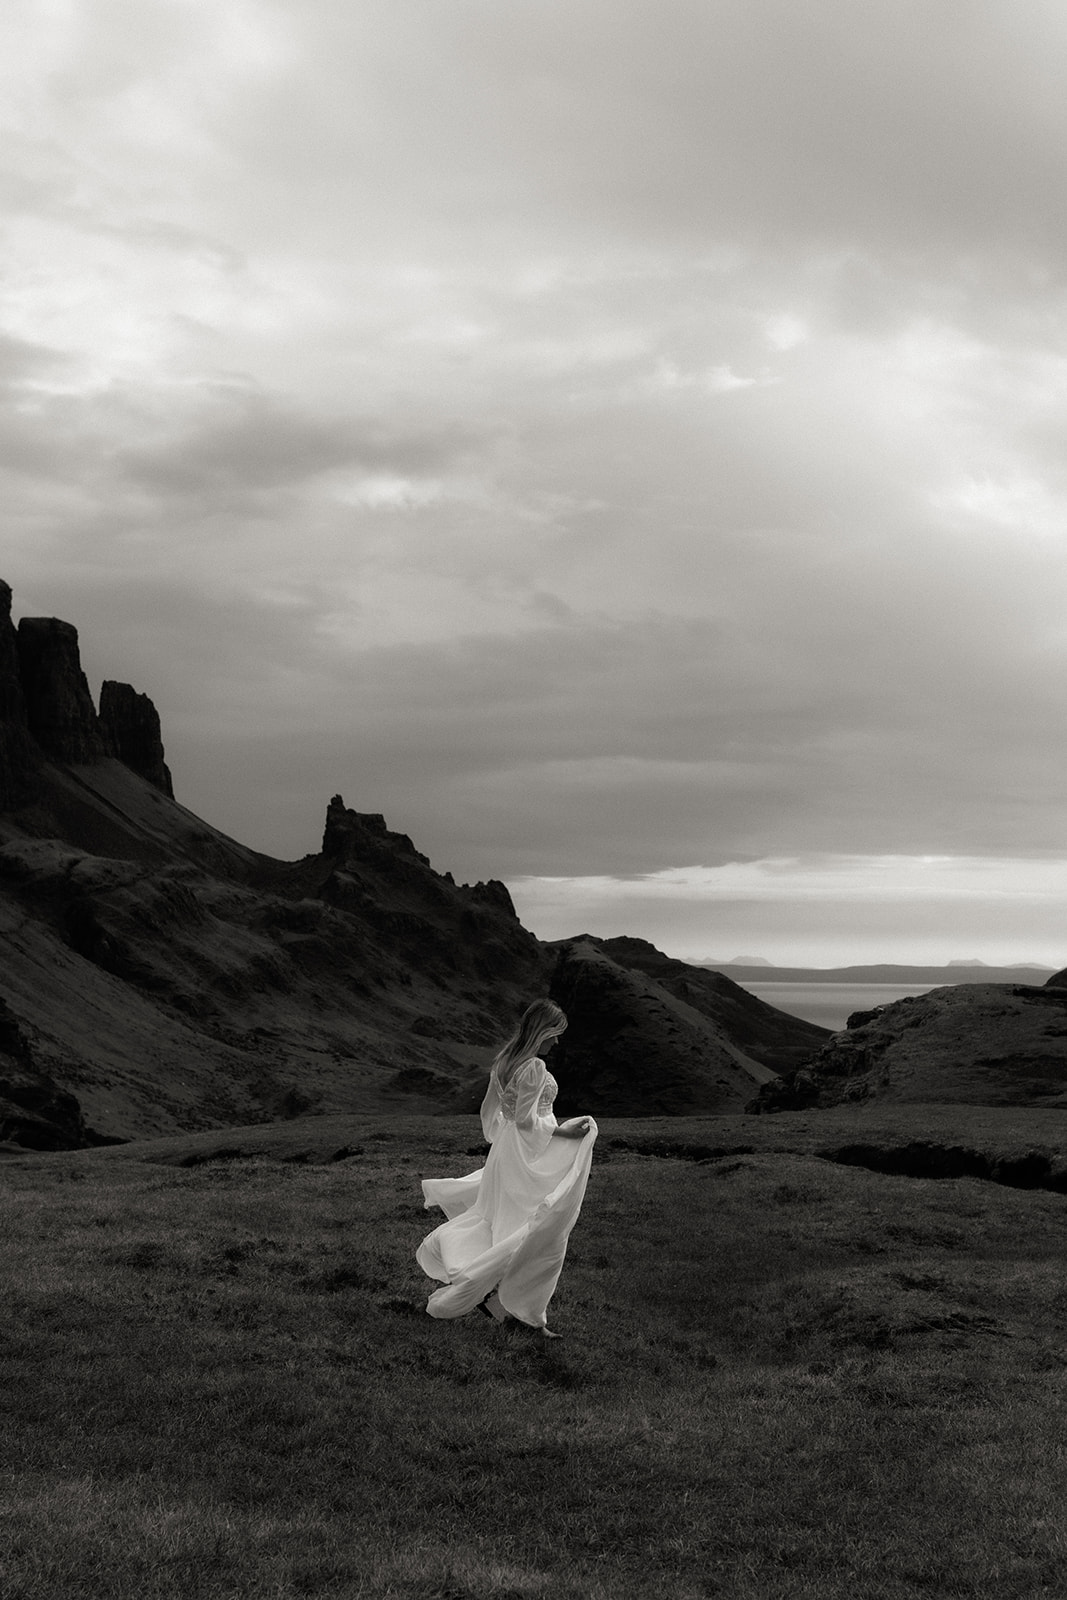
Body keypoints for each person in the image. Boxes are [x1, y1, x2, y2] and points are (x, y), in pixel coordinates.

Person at [415, 998, 597, 1338]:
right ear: (542, 1031)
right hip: (526, 1154)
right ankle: (524, 1313)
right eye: (554, 1034)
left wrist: (502, 1139)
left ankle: (508, 1305)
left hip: (507, 1152)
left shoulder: (504, 1061)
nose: (556, 1042)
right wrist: (566, 1132)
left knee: (508, 1226)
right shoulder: (533, 1067)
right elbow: (529, 1121)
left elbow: (492, 1114)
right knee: (536, 1232)